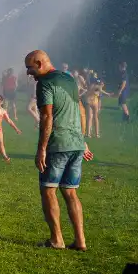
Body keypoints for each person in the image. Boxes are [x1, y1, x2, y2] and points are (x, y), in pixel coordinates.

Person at [25, 50, 91, 251]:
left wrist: (42, 149)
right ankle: (80, 241)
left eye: (30, 68)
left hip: (58, 145)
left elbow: (46, 117)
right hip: (76, 144)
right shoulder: (69, 79)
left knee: (49, 190)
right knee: (70, 192)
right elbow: (80, 109)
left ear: (39, 63)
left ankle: (57, 240)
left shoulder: (45, 83)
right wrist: (83, 140)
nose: (29, 73)